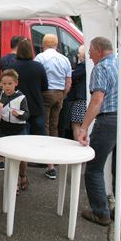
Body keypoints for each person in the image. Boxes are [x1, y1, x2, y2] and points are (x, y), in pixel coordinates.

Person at [78, 36, 121, 228]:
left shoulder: (101, 68)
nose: (89, 57)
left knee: (94, 168)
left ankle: (101, 213)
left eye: (90, 53)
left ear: (98, 50)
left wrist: (84, 127)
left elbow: (97, 101)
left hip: (110, 120)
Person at [34, 34, 72, 179]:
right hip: (59, 94)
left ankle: (46, 159)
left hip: (45, 93)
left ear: (43, 44)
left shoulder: (40, 58)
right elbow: (68, 82)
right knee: (54, 126)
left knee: (44, 125)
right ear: (56, 44)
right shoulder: (65, 59)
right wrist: (63, 95)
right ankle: (53, 158)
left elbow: (36, 78)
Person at [0, 70, 29, 191]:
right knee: (8, 158)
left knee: (21, 157)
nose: (6, 86)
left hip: (19, 131)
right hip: (4, 130)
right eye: (4, 84)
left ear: (16, 83)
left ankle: (23, 176)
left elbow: (27, 114)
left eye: (9, 83)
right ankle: (13, 184)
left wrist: (18, 114)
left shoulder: (21, 97)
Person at [66, 45, 86, 140]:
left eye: (79, 54)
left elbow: (72, 77)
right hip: (86, 99)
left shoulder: (82, 66)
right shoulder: (89, 66)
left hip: (80, 100)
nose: (77, 56)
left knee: (76, 125)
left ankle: (78, 145)